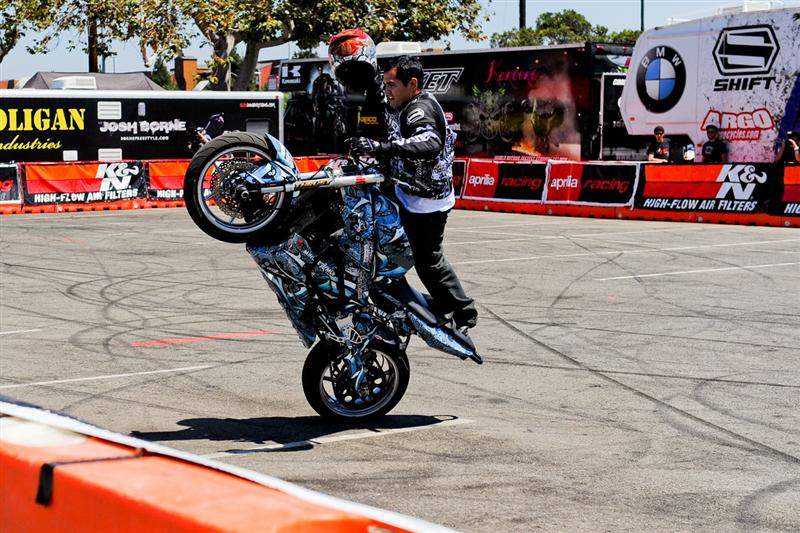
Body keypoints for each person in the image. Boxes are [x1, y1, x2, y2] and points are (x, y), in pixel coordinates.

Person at [345, 55, 478, 334]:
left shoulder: (420, 109)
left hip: (427, 201)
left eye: (392, 85)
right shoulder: (399, 103)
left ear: (413, 84)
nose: (387, 91)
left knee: (429, 261)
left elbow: (429, 142)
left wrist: (380, 148)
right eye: (385, 84)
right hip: (405, 191)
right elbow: (377, 110)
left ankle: (463, 312)